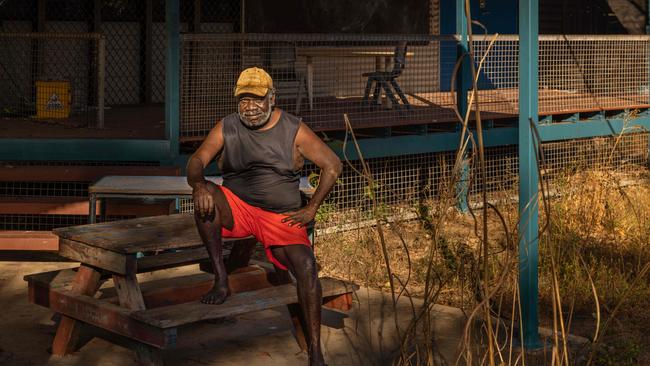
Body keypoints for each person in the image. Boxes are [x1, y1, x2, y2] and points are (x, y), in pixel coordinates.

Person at [186, 67, 342, 366]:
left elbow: (332, 165)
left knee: (307, 267)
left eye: (257, 99)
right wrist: (198, 184)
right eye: (243, 99)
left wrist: (311, 208)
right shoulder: (228, 126)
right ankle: (221, 279)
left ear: (272, 97)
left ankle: (315, 352)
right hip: (238, 208)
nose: (250, 106)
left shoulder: (294, 128)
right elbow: (197, 160)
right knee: (206, 195)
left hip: (280, 216)